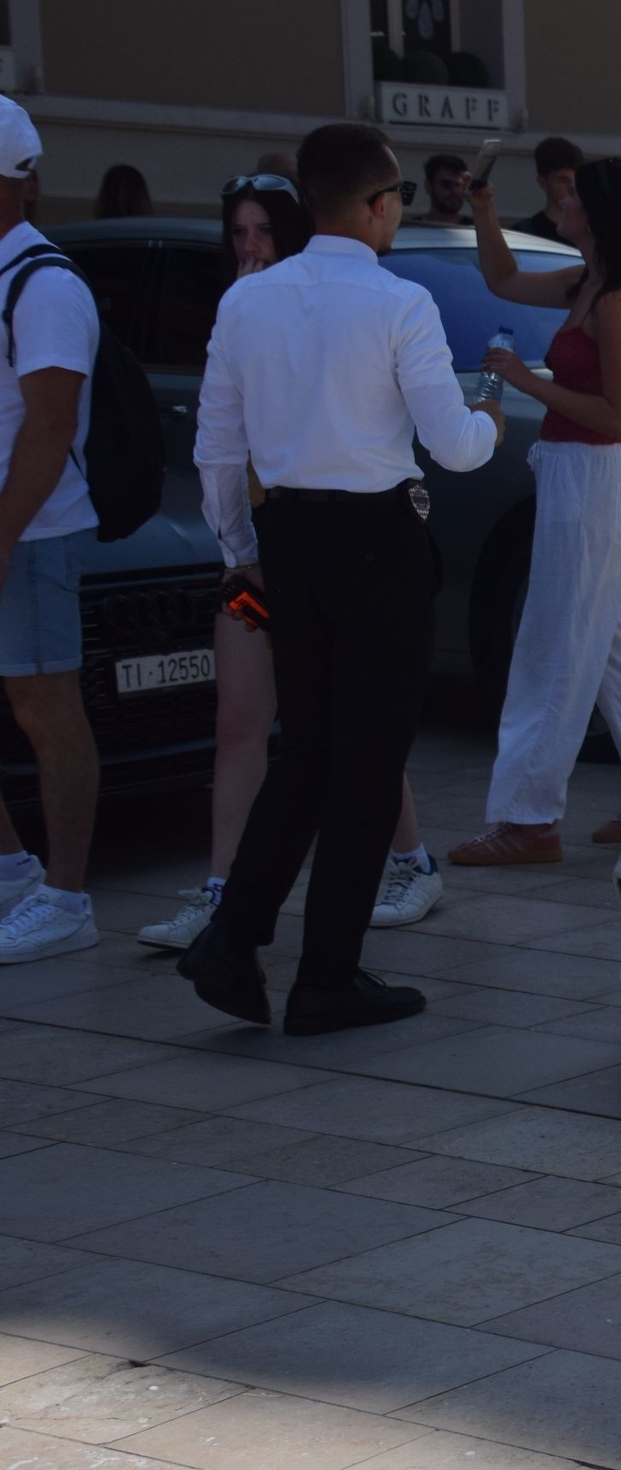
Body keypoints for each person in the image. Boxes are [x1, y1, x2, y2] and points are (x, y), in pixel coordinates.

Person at [178, 122, 503, 1032]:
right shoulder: (399, 303)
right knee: (365, 759)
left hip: (289, 537)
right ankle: (326, 972)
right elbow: (456, 447)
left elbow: (215, 448)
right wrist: (492, 422)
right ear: (372, 203)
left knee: (311, 747)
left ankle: (234, 936)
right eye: (396, 194)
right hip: (376, 540)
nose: (400, 207)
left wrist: (241, 549)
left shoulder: (247, 303)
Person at [137, 177, 443, 951]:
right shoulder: (247, 311)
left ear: (297, 229)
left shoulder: (314, 307)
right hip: (264, 560)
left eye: (261, 232)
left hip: (305, 550)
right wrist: (239, 553)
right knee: (249, 720)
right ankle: (226, 896)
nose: (249, 248)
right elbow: (218, 448)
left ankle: (406, 861)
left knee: (349, 730)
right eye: (236, 233)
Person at [449, 156, 621, 867]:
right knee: (604, 649)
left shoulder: (616, 301)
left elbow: (619, 417)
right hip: (580, 480)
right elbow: (503, 280)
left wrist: (524, 382)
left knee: (551, 648)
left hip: (593, 481)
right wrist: (484, 212)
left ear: (599, 213)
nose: (562, 202)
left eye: (574, 196)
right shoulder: (588, 283)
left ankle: (529, 816)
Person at [0, 98, 102, 964]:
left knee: (45, 707)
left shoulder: (46, 282)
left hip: (31, 532)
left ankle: (66, 898)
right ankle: (11, 873)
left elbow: (49, 423)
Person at [511, 136, 582, 240]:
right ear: (543, 182)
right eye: (563, 180)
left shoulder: (594, 235)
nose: (572, 188)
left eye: (577, 180)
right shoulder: (524, 234)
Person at [416, 153, 469, 226]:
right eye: (447, 184)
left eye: (460, 185)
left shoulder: (477, 231)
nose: (456, 191)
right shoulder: (409, 230)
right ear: (428, 186)